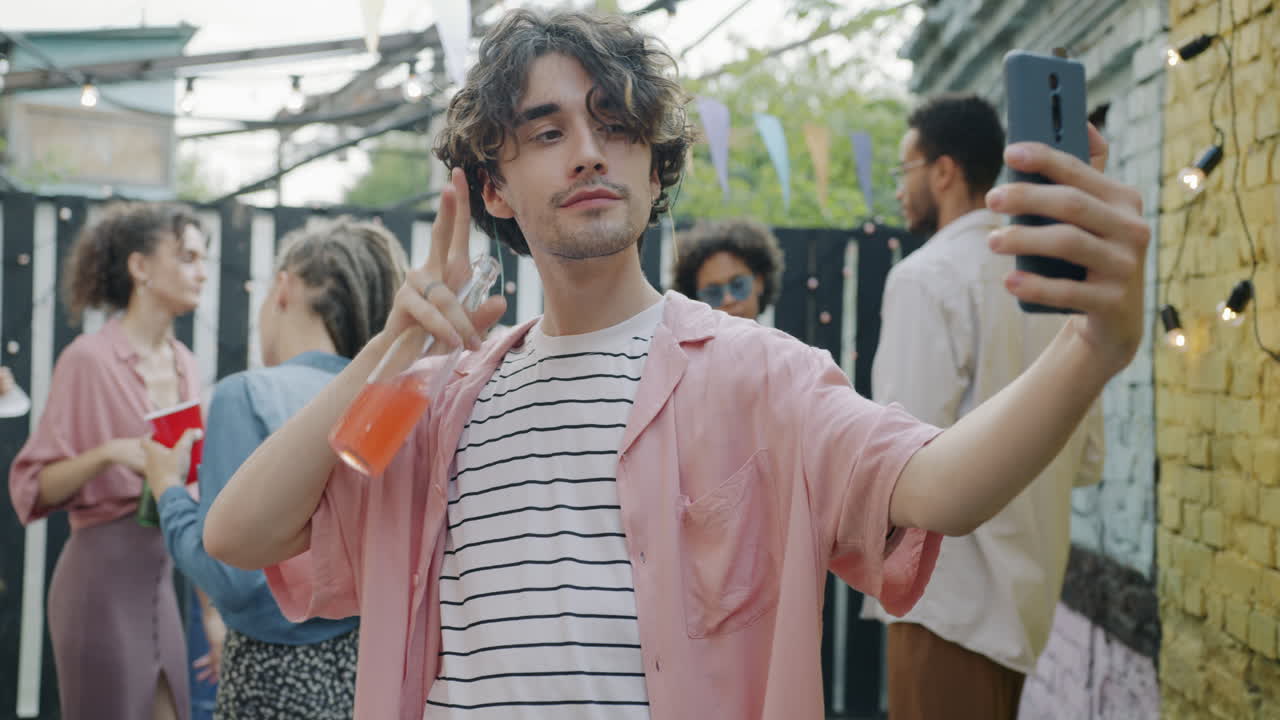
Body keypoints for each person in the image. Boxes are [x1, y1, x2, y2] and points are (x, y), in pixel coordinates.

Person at [203, 9, 1149, 720]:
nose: (587, 152)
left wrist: (1092, 347)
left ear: (656, 167)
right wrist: (391, 344)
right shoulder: (435, 400)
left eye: (616, 125)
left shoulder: (757, 376)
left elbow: (937, 488)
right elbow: (239, 536)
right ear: (493, 184)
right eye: (546, 131)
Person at [859, 94, 1105, 720]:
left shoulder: (927, 275)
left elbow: (900, 467)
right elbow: (1088, 460)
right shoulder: (1054, 279)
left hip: (944, 603)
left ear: (942, 171)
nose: (898, 191)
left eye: (903, 171)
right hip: (1024, 609)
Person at [141, 217, 407, 718]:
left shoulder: (247, 395)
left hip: (273, 671)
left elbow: (233, 578)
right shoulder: (387, 401)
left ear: (283, 287)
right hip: (368, 671)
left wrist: (167, 488)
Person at [9, 203, 208, 720]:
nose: (202, 272)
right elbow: (33, 487)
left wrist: (212, 612)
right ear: (140, 267)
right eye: (186, 256)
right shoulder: (87, 358)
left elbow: (198, 494)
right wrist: (108, 454)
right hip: (98, 581)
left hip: (164, 577)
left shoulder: (187, 364)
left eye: (203, 259)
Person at [670, 219, 784, 319]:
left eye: (738, 285)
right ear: (696, 301)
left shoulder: (785, 344)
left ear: (760, 282)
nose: (728, 299)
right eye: (713, 293)